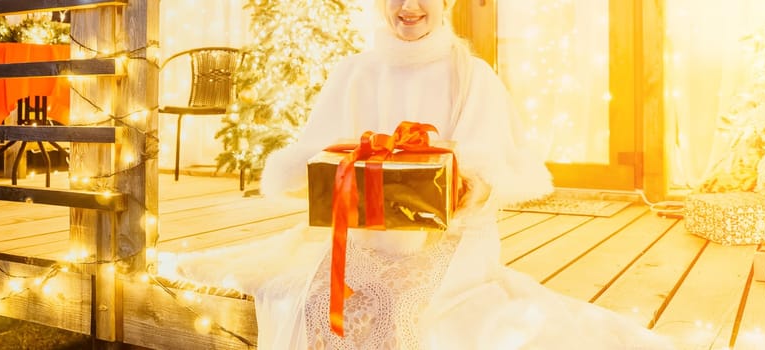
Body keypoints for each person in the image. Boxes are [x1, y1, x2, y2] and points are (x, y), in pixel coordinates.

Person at [167, 0, 675, 348]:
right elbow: (313, 159)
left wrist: (471, 185)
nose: (408, 7)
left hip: (448, 238)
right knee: (319, 304)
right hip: (362, 235)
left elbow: (493, 168)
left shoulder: (472, 75)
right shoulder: (355, 71)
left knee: (405, 313)